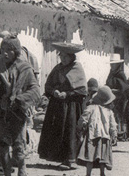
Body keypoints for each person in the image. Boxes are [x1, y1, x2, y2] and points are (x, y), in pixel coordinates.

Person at [0, 36, 40, 176]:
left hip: (17, 113)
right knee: (3, 145)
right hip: (1, 112)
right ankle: (7, 172)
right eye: (2, 49)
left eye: (9, 50)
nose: (5, 53)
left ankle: (22, 171)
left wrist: (18, 99)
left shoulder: (24, 68)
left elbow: (35, 90)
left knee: (19, 146)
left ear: (16, 51)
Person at [38, 42, 87, 170]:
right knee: (58, 130)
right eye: (61, 57)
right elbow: (48, 85)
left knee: (70, 130)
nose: (63, 59)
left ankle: (70, 159)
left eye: (66, 57)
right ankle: (60, 157)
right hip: (57, 106)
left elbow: (82, 90)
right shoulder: (57, 68)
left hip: (71, 107)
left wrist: (67, 93)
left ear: (72, 57)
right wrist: (53, 91)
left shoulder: (77, 68)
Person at [77, 86, 117, 176]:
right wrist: (114, 134)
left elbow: (83, 119)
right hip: (105, 137)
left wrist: (80, 128)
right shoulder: (109, 111)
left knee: (90, 156)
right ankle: (102, 173)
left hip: (92, 136)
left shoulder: (90, 108)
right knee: (102, 157)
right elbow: (113, 125)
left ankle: (88, 173)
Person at [105, 54, 129, 141]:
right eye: (111, 64)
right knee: (113, 115)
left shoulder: (121, 74)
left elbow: (125, 88)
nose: (111, 66)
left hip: (120, 99)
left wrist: (115, 90)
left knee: (120, 116)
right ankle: (114, 133)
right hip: (112, 98)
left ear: (118, 65)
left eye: (113, 64)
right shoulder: (111, 74)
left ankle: (121, 134)